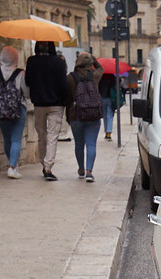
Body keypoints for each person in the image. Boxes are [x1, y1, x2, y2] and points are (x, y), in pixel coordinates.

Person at [24, 41, 68, 181]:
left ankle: (44, 163)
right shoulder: (59, 62)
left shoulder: (31, 61)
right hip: (56, 104)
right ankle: (48, 167)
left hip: (39, 103)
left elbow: (28, 81)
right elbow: (63, 84)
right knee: (53, 136)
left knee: (41, 135)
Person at [0, 46, 30, 179]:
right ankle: (12, 167)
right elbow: (26, 93)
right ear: (15, 58)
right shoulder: (21, 73)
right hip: (18, 109)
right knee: (16, 139)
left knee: (7, 139)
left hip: (1, 110)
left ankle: (12, 164)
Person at [66, 52, 105, 182]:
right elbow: (101, 68)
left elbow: (67, 97)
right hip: (93, 115)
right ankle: (89, 171)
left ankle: (81, 169)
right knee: (91, 144)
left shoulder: (70, 78)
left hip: (76, 115)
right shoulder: (95, 76)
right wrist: (94, 60)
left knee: (79, 144)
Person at [98, 70, 118, 141]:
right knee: (110, 115)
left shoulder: (100, 78)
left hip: (102, 98)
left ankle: (106, 132)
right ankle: (108, 133)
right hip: (110, 98)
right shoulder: (112, 77)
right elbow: (117, 87)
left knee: (105, 115)